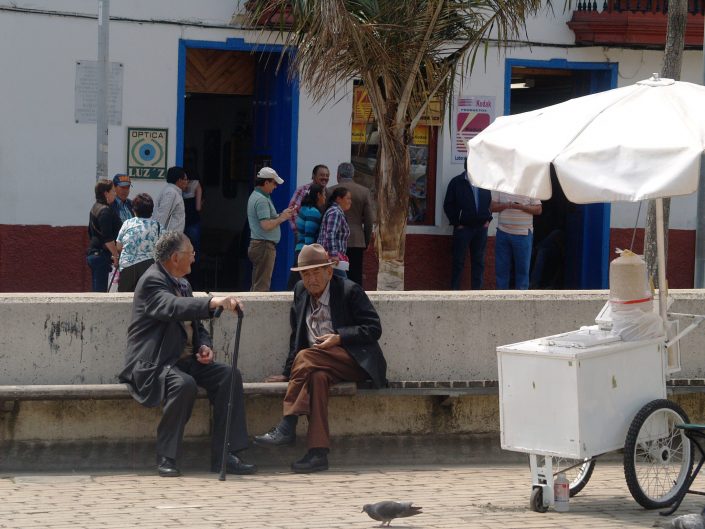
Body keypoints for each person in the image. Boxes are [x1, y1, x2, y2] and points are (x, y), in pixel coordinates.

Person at [119, 231, 256, 478]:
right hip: (157, 362)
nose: (194, 258)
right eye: (191, 253)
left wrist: (203, 345)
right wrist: (213, 302)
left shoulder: (183, 284)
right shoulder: (152, 280)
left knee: (229, 376)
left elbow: (196, 326)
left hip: (185, 360)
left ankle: (226, 455)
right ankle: (167, 456)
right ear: (175, 257)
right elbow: (171, 307)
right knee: (184, 384)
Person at [254, 244, 387, 473]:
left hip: (353, 360)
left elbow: (374, 328)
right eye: (306, 274)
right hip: (316, 363)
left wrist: (339, 337)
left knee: (307, 357)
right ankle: (318, 454)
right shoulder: (300, 292)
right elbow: (296, 337)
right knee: (316, 378)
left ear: (329, 271)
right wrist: (287, 373)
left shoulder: (349, 290)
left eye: (316, 272)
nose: (311, 279)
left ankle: (288, 423)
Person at [443, 169, 492, 290]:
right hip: (463, 229)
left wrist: (488, 219)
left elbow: (489, 203)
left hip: (480, 229)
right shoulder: (456, 182)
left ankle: (476, 293)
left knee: (479, 262)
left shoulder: (483, 183)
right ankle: (454, 292)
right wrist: (457, 223)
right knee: (458, 262)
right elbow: (448, 205)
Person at [247, 167, 294, 291]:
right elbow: (266, 225)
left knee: (258, 283)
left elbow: (266, 220)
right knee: (261, 286)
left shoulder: (257, 196)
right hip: (264, 246)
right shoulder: (262, 199)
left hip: (260, 245)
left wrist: (281, 215)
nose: (275, 187)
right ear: (266, 182)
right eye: (274, 183)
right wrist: (282, 218)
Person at [327, 162, 374, 286]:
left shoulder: (330, 191)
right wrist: (366, 240)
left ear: (338, 175)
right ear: (353, 175)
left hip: (335, 241)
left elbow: (325, 216)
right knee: (355, 276)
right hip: (356, 240)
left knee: (336, 277)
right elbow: (369, 220)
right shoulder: (364, 191)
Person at [490, 191, 542, 290]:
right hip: (503, 233)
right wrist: (506, 205)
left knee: (522, 272)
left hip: (523, 234)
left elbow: (538, 209)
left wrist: (522, 207)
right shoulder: (501, 185)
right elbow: (492, 207)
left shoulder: (530, 186)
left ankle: (521, 299)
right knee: (501, 271)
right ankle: (501, 298)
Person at [115, 193, 162, 292]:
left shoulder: (127, 224)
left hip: (127, 267)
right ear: (151, 210)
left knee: (125, 298)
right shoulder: (158, 226)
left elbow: (119, 246)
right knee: (148, 297)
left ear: (134, 210)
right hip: (149, 268)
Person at [287, 183, 325, 289]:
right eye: (324, 194)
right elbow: (309, 236)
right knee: (301, 281)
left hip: (299, 249)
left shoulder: (304, 209)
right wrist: (310, 254)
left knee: (296, 279)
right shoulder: (312, 212)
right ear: (318, 195)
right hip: (305, 250)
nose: (325, 197)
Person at [86, 178, 121, 292]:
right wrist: (116, 256)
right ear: (106, 193)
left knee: (98, 291)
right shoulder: (104, 211)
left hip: (95, 254)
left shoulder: (95, 207)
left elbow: (90, 231)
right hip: (101, 256)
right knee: (100, 294)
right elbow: (108, 238)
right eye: (113, 191)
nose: (115, 194)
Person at [317, 187, 351, 278]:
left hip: (331, 257)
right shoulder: (335, 212)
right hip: (331, 258)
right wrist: (333, 255)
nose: (350, 201)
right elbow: (330, 233)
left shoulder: (336, 211)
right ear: (339, 199)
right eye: (348, 198)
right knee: (342, 281)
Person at [287, 164, 330, 233]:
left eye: (327, 175)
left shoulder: (329, 193)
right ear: (313, 176)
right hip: (304, 234)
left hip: (321, 235)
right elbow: (292, 211)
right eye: (322, 175)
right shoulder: (303, 190)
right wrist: (298, 231)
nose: (325, 177)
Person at [183, 175, 203, 289]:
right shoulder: (196, 184)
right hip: (193, 222)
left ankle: (183, 279)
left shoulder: (179, 185)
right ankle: (195, 284)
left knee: (181, 251)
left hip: (182, 223)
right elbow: (198, 207)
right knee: (195, 253)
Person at [154, 166, 188, 233]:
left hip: (174, 236)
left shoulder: (174, 192)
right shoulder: (171, 193)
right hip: (170, 237)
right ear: (179, 180)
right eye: (185, 179)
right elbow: (161, 216)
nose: (187, 182)